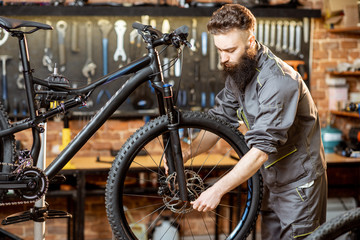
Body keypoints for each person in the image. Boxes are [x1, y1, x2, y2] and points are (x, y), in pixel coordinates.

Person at [183, 4, 327, 240]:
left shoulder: (279, 81)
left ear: (251, 41)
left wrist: (216, 190)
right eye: (219, 50)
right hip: (271, 179)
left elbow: (260, 150)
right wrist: (188, 151)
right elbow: (219, 120)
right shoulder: (240, 69)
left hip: (298, 186)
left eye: (229, 50)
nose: (223, 59)